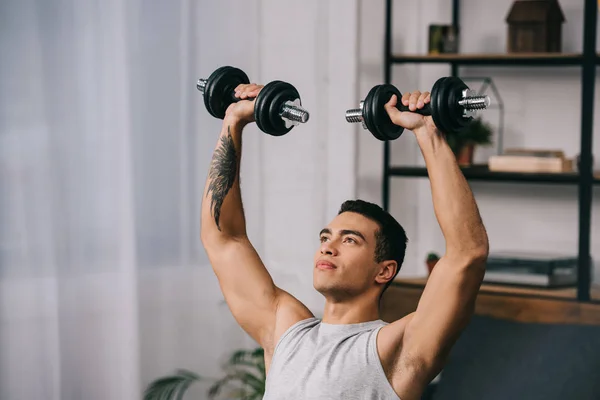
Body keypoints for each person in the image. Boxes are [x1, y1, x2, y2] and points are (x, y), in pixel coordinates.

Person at [200, 82, 489, 400]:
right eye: (325, 237)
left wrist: (427, 132)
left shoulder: (396, 348)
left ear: (384, 270)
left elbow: (467, 253)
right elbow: (224, 238)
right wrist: (233, 120)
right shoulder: (285, 332)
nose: (327, 246)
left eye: (350, 240)